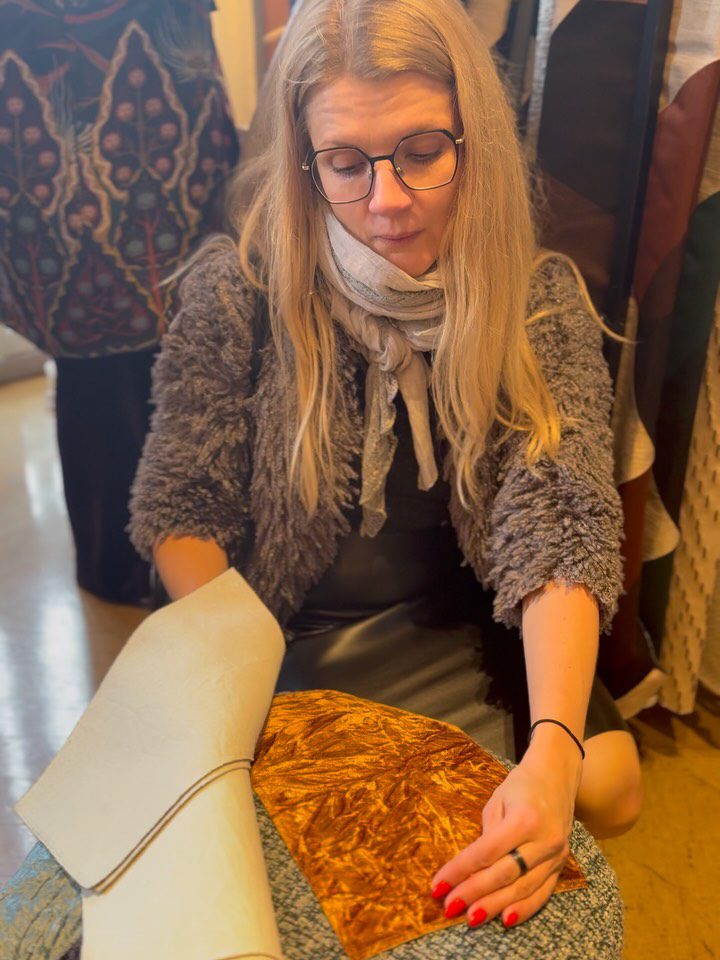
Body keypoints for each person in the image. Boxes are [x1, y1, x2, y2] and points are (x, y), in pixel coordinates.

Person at [129, 0, 642, 933]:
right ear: (304, 161)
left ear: (474, 140)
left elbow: (562, 524)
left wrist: (553, 750)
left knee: (608, 783)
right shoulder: (239, 290)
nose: (388, 200)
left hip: (463, 633)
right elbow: (181, 505)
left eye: (421, 151)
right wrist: (240, 683)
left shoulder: (537, 302)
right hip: (284, 639)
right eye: (345, 163)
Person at [0, 0, 239, 604]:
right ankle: (125, 561)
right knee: (93, 362)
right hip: (43, 78)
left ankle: (186, 553)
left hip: (158, 69)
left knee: (192, 342)